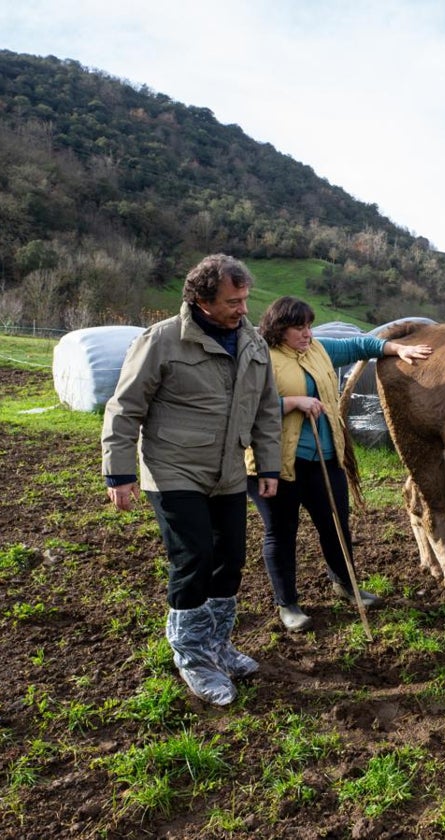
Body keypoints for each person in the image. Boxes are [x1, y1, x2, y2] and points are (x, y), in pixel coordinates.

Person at [102, 254, 282, 707]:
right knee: (195, 557)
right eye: (232, 301)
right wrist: (119, 472)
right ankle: (192, 656)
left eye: (245, 299)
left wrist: (269, 466)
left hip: (228, 471)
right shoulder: (162, 341)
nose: (243, 309)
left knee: (231, 558)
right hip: (172, 469)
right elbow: (125, 408)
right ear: (201, 300)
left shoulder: (254, 344)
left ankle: (217, 644)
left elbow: (265, 410)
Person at [247, 296, 431, 632]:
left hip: (325, 457)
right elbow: (244, 405)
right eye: (297, 327)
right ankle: (287, 604)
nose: (306, 333)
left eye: (308, 325)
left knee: (335, 524)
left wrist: (394, 350)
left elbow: (358, 345)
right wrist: (290, 402)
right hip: (276, 462)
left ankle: (345, 585)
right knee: (281, 533)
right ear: (278, 329)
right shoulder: (261, 357)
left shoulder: (318, 349)